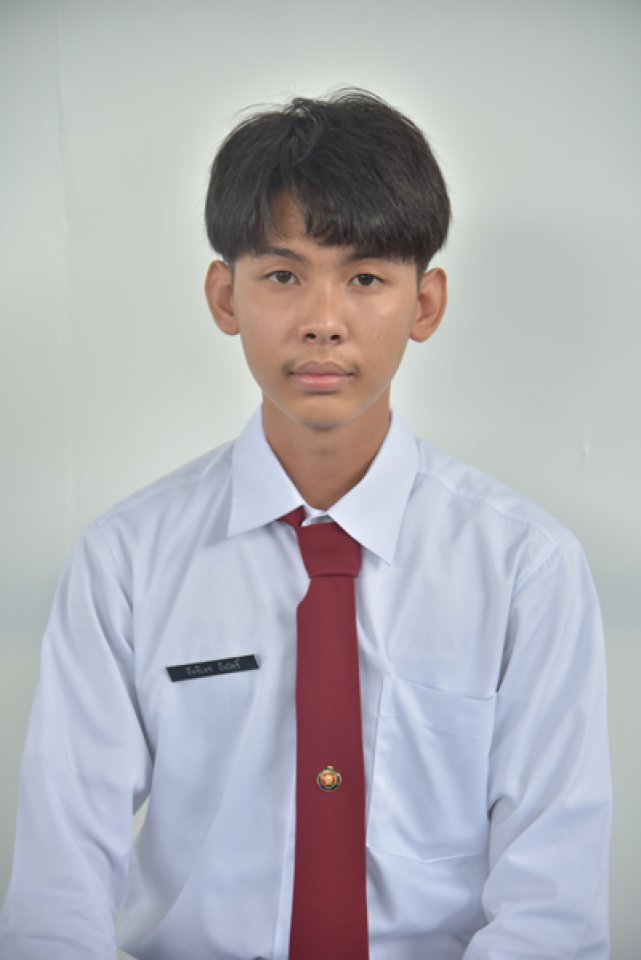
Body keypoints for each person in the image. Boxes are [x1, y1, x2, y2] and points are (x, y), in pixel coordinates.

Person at [0, 90, 611, 959]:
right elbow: (58, 887)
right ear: (225, 296)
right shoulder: (126, 560)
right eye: (283, 276)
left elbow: (551, 902)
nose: (323, 321)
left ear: (425, 304)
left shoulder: (524, 568)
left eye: (365, 278)